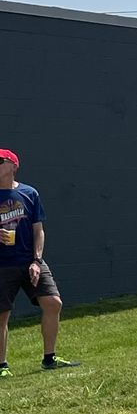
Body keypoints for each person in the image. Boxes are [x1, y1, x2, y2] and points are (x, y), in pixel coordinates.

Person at [0, 148, 78, 377]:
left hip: (29, 260)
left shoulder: (29, 193)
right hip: (3, 265)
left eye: (0, 161)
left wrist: (37, 260)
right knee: (2, 314)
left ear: (14, 166)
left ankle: (49, 358)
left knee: (53, 303)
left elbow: (38, 230)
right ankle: (2, 366)